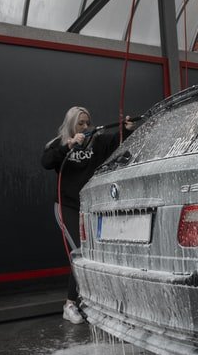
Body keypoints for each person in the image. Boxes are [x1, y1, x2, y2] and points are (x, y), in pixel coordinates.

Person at [41, 106, 135, 324]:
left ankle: (91, 302)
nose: (85, 126)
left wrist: (128, 129)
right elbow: (46, 162)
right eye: (80, 123)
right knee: (80, 253)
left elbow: (120, 141)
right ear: (71, 124)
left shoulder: (98, 142)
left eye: (87, 122)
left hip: (91, 207)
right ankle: (70, 304)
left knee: (93, 254)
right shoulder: (60, 143)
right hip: (68, 207)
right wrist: (69, 145)